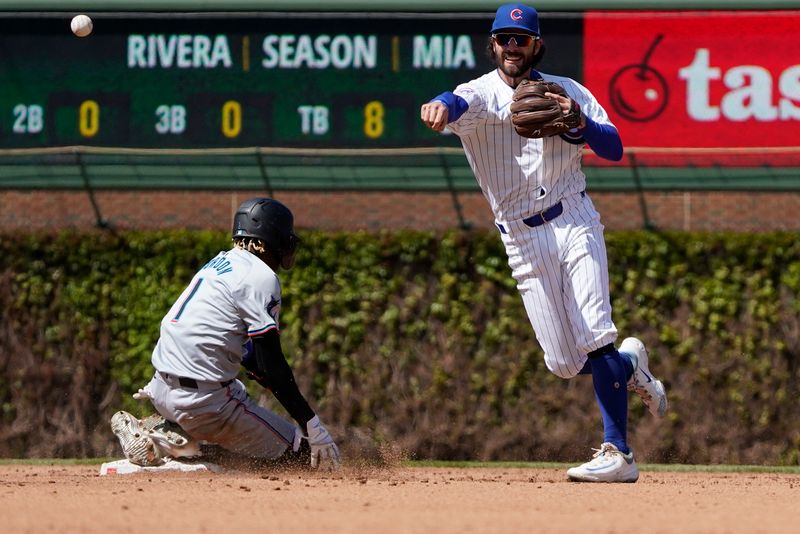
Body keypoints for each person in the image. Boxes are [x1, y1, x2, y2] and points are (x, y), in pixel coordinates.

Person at [420, 3, 667, 482]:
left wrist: (576, 122)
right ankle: (630, 365)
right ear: (492, 44)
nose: (513, 46)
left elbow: (614, 146)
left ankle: (619, 453)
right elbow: (454, 103)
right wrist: (439, 105)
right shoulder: (481, 94)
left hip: (573, 217)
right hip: (520, 237)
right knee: (563, 362)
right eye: (504, 38)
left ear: (536, 44)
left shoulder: (568, 91)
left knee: (596, 331)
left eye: (522, 38)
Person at [111, 197, 340, 470]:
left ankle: (175, 432)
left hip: (161, 388)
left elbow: (247, 356)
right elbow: (272, 364)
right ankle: (177, 449)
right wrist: (310, 422)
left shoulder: (219, 263)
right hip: (204, 403)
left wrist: (266, 377)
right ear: (271, 240)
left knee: (237, 390)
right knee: (304, 458)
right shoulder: (261, 276)